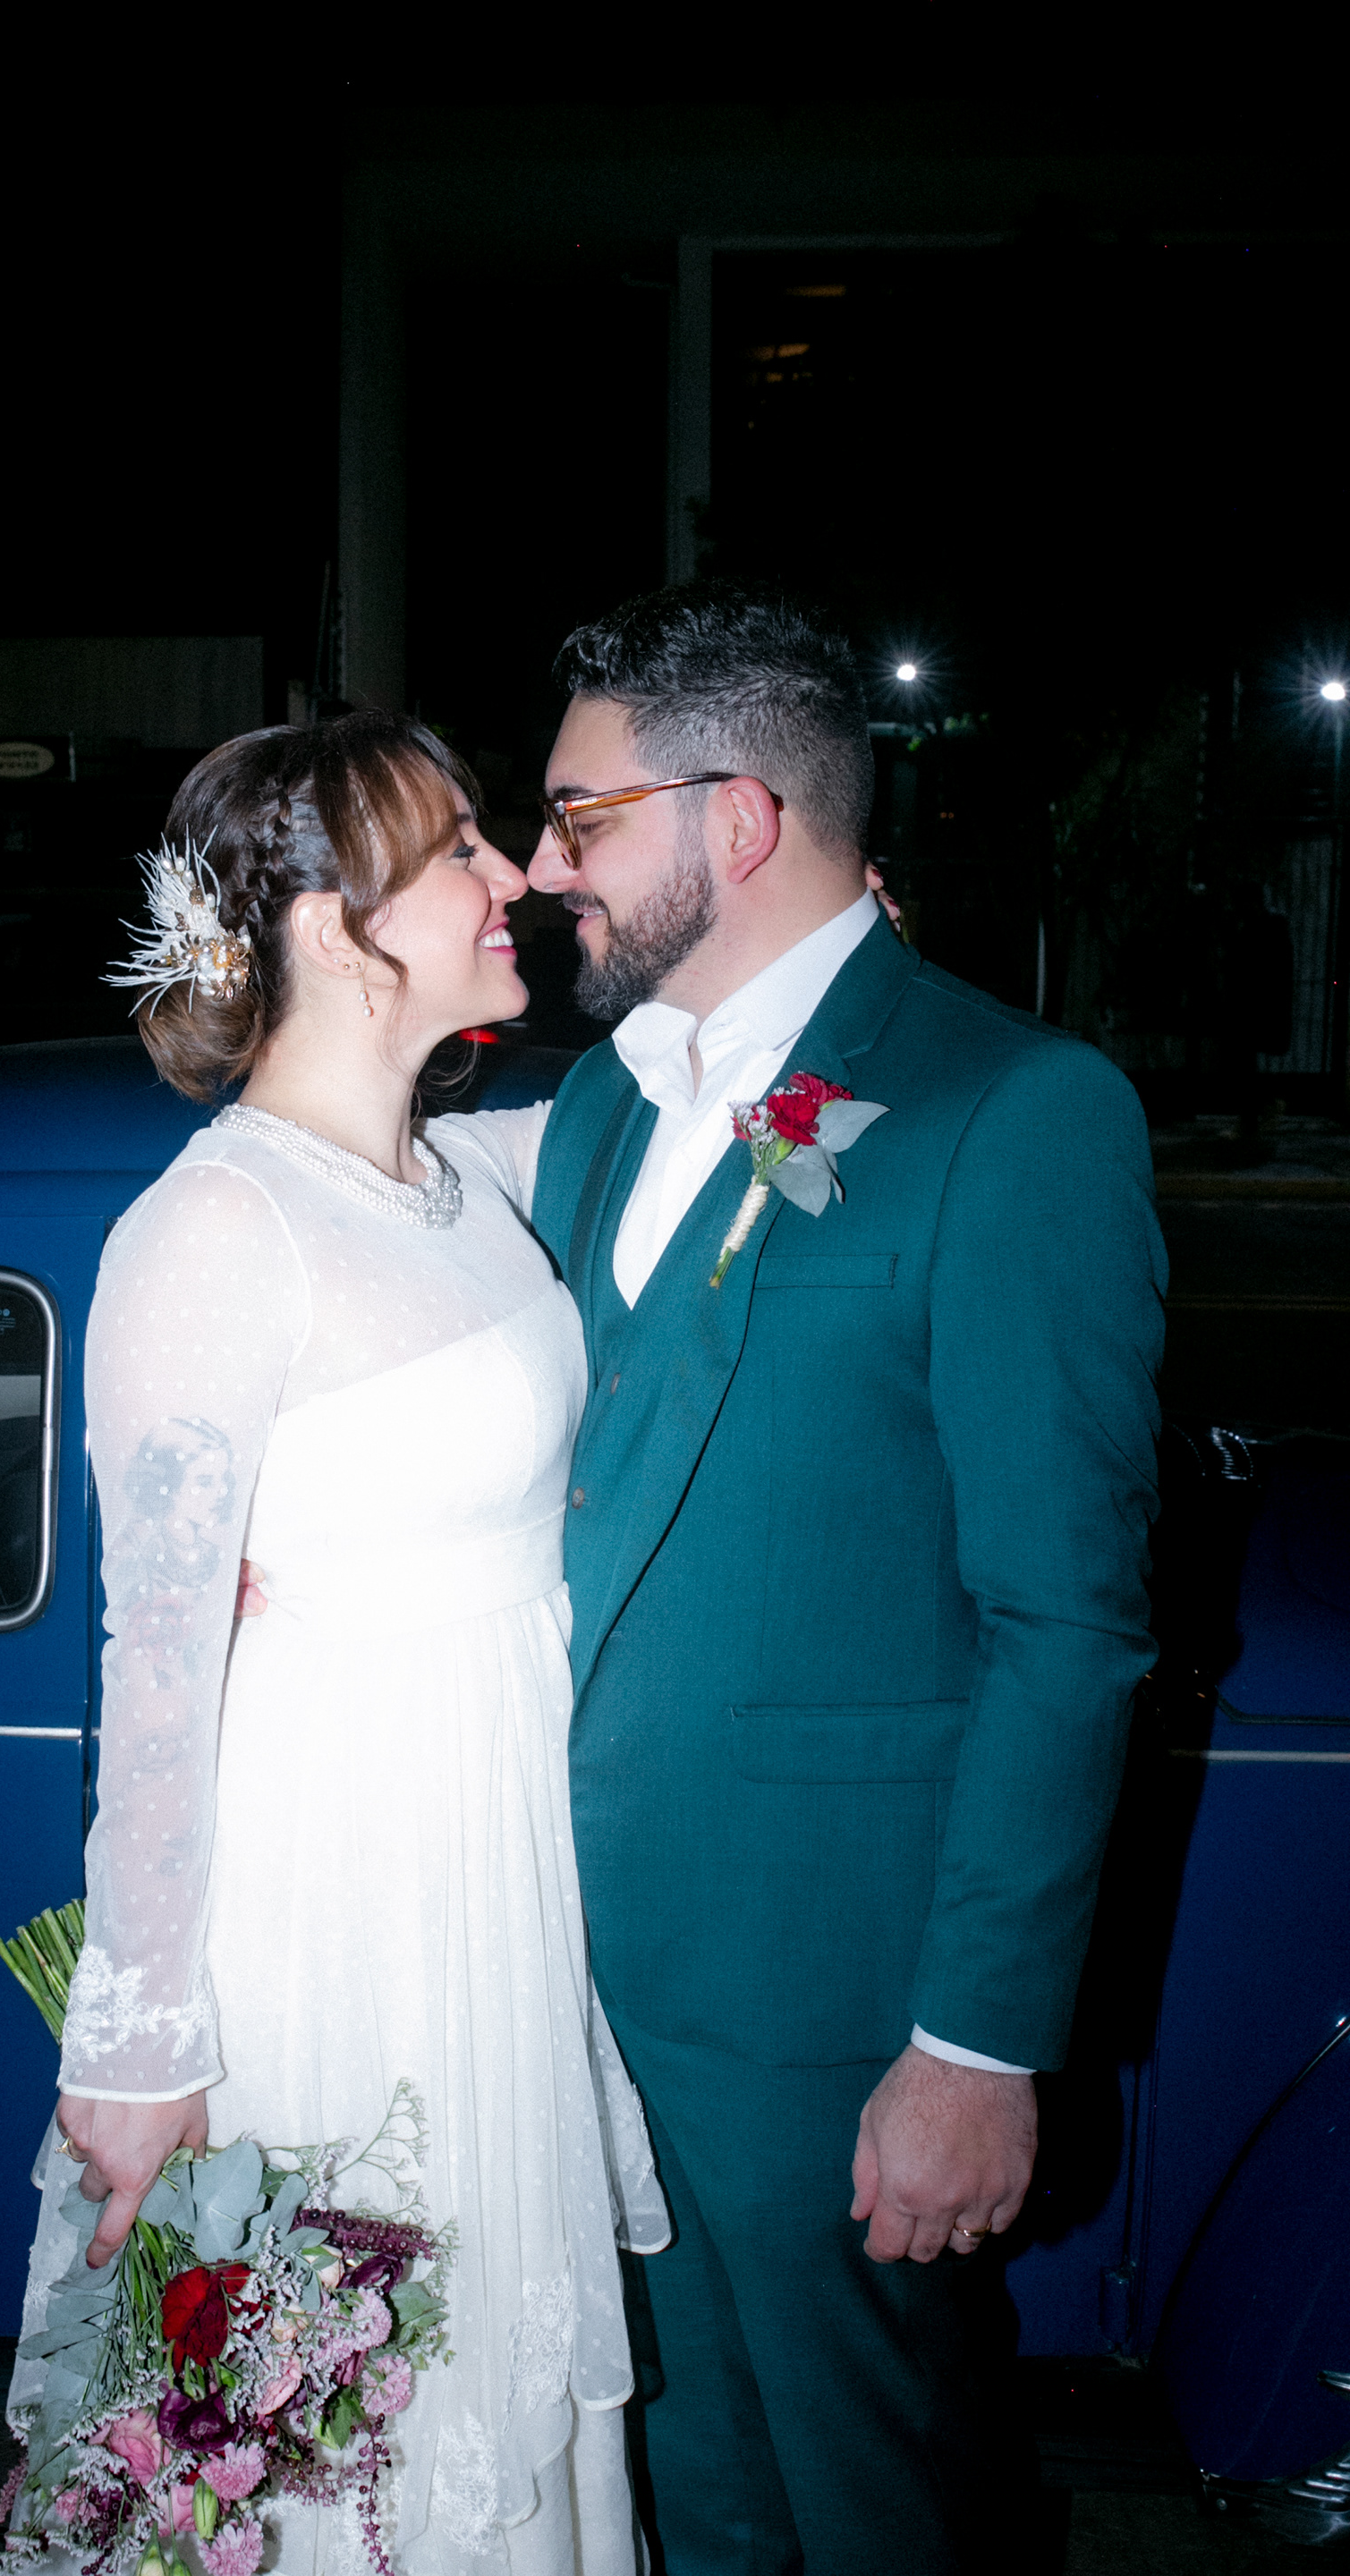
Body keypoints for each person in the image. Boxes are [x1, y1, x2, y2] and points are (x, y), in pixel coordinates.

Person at [502, 578, 1167, 2573]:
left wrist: (976, 2045)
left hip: (837, 2018)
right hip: (578, 1986)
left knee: (882, 2515)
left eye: (582, 817)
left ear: (742, 822)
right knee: (692, 2503)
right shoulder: (615, 1102)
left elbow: (1066, 1625)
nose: (543, 865)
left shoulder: (1012, 1111)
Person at [13, 712, 668, 2576]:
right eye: (457, 847)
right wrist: (141, 2047)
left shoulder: (465, 1176)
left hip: (490, 1883)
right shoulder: (213, 1231)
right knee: (330, 2454)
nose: (511, 873)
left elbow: (704, 1121)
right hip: (340, 1910)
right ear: (329, 928)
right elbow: (152, 1673)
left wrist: (818, 1006)